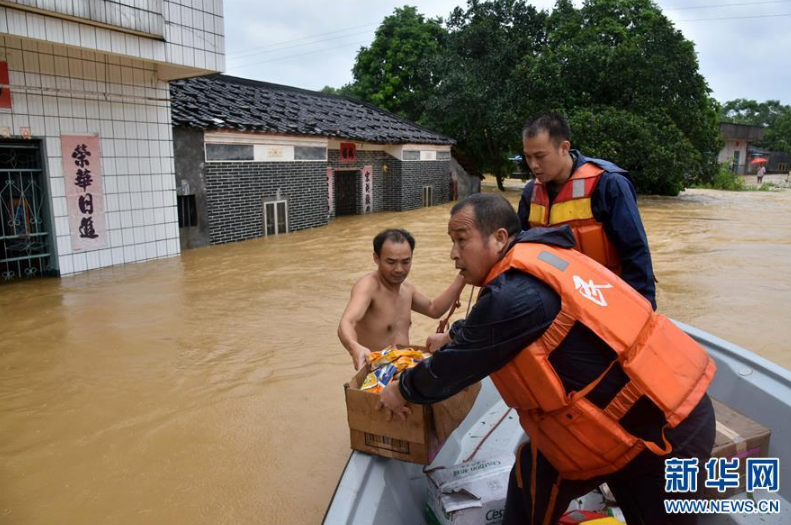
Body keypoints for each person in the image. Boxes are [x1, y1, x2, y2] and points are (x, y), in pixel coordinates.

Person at [380, 194, 716, 525]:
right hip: (596, 425)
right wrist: (455, 335)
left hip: (665, 432)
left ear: (499, 238)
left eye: (461, 240)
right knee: (532, 475)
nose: (453, 254)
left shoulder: (514, 293)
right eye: (452, 241)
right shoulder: (538, 259)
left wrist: (401, 389)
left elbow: (450, 370)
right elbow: (497, 324)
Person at [517, 112, 657, 309]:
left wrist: (642, 310)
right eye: (528, 157)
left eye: (540, 156)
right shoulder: (531, 192)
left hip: (606, 299)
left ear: (564, 148)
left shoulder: (609, 184)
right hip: (556, 300)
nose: (533, 165)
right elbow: (519, 251)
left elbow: (636, 252)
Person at [338, 228, 465, 370]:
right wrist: (354, 347)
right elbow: (347, 322)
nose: (399, 269)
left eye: (405, 262)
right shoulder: (368, 286)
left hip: (405, 367)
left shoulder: (407, 289)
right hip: (376, 373)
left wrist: (463, 275)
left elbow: (434, 309)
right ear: (376, 258)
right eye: (391, 262)